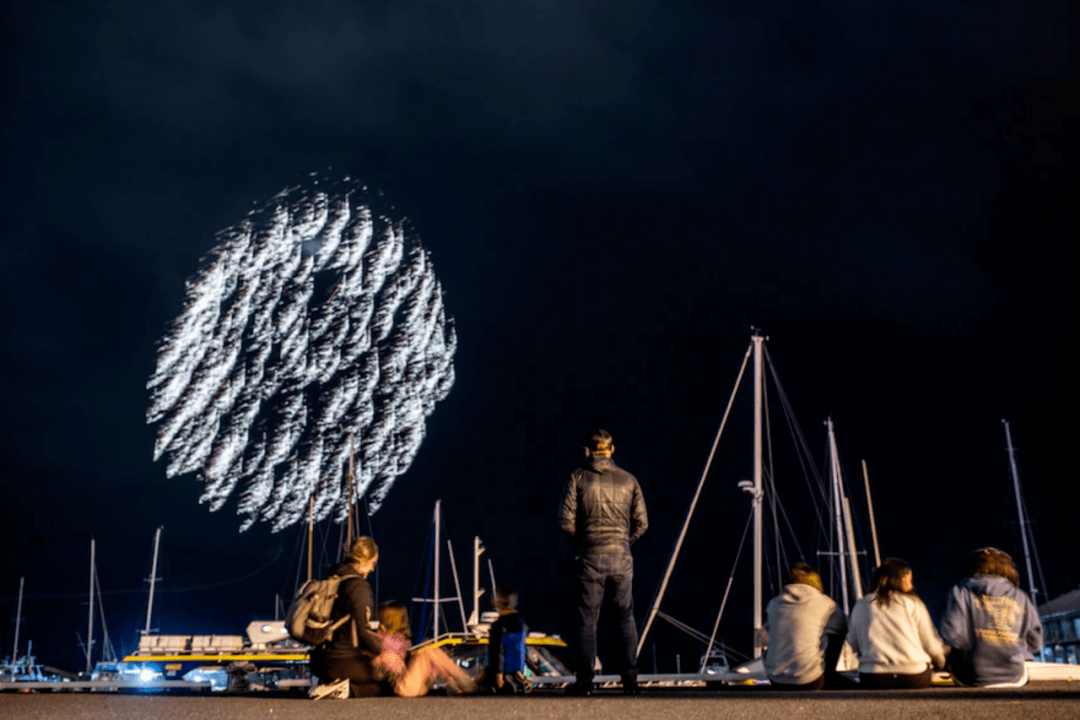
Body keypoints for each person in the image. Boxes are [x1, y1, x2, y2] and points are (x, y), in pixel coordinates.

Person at [559, 429, 648, 696]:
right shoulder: (629, 480)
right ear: (612, 450)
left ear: (587, 451)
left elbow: (566, 521)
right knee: (625, 618)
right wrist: (623, 541)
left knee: (587, 620)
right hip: (621, 557)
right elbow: (642, 523)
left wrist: (583, 546)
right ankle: (630, 682)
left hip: (590, 557)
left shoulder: (577, 478)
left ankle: (585, 682)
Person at [939, 547, 1043, 688]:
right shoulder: (1020, 596)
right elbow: (1035, 643)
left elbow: (951, 633)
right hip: (1014, 676)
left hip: (974, 677)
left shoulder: (960, 591)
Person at [846, 558, 947, 689]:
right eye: (909, 581)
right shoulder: (913, 604)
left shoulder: (861, 605)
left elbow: (852, 644)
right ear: (899, 580)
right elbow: (931, 644)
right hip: (912, 676)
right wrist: (942, 663)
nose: (912, 586)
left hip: (873, 677)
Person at [308, 536, 384, 699]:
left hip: (319, 660)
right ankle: (346, 689)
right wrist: (384, 652)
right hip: (343, 661)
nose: (372, 569)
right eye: (372, 563)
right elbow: (364, 632)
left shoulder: (332, 579)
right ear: (363, 562)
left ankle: (331, 682)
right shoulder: (357, 587)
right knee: (382, 683)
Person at [763, 563, 848, 690]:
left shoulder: (773, 604)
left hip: (775, 678)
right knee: (836, 634)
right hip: (809, 680)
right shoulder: (827, 604)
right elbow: (842, 628)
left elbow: (766, 637)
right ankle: (829, 675)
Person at [372, 600, 476, 697]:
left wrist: (413, 657)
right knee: (428, 650)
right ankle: (464, 682)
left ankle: (457, 683)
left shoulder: (396, 642)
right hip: (404, 688)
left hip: (411, 685)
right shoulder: (383, 644)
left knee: (430, 649)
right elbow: (380, 666)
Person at [484, 585, 531, 694]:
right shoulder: (522, 625)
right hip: (517, 667)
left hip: (502, 668)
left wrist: (498, 672)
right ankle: (517, 679)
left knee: (482, 680)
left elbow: (497, 651)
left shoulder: (498, 626)